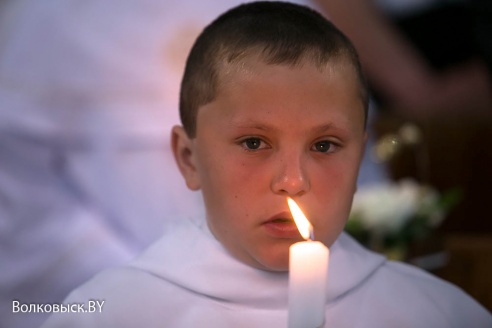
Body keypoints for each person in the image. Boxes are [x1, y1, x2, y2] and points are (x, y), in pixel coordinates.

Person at [41, 2, 491, 327]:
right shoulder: (110, 310)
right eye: (254, 142)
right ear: (188, 158)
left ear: (361, 157)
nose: (293, 181)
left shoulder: (435, 312)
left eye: (326, 145)